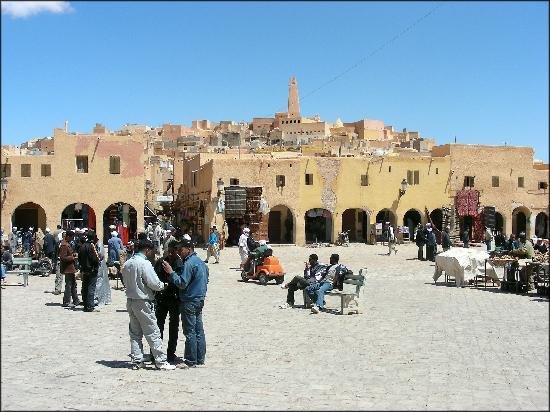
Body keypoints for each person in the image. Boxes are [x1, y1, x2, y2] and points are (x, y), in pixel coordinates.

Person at [121, 239, 175, 370]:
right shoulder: (144, 264)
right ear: (147, 250)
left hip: (131, 300)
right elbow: (154, 283)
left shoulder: (128, 263)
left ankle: (137, 360)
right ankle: (161, 361)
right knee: (153, 332)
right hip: (143, 301)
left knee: (135, 333)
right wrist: (164, 285)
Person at [162, 237, 209, 368]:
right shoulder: (200, 262)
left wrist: (171, 273)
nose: (179, 252)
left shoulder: (189, 263)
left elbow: (182, 283)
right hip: (199, 299)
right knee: (199, 330)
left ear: (189, 249)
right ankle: (200, 358)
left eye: (181, 249)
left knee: (190, 331)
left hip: (189, 301)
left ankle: (190, 360)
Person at [153, 240, 183, 364]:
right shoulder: (161, 262)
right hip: (163, 298)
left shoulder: (180, 263)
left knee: (173, 327)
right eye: (170, 250)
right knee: (158, 327)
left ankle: (170, 353)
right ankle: (155, 352)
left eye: (173, 250)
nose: (171, 252)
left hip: (174, 298)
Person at [78, 230, 100, 312]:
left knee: (85, 287)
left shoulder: (82, 246)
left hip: (84, 269)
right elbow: (95, 259)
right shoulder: (91, 246)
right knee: (91, 288)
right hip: (92, 269)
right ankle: (90, 306)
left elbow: (79, 258)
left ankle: (85, 304)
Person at [59, 231, 81, 308]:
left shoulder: (67, 244)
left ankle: (76, 300)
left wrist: (73, 254)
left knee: (73, 284)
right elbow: (63, 257)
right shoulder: (64, 245)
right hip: (67, 268)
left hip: (70, 267)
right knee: (68, 285)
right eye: (71, 237)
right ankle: (66, 301)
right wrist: (73, 257)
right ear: (68, 236)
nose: (72, 239)